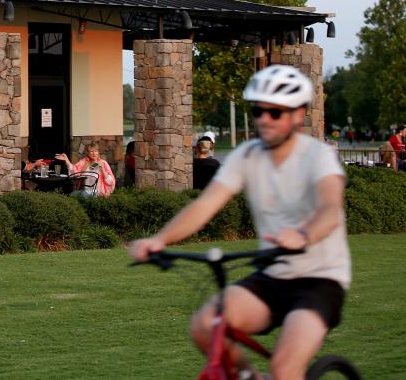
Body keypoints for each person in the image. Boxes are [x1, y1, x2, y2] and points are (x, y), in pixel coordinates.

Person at [130, 65, 350, 380]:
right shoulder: (248, 156)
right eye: (259, 110)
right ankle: (250, 376)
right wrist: (160, 240)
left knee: (285, 369)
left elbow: (330, 209)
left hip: (320, 281)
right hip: (273, 274)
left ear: (299, 114)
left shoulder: (318, 157)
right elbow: (205, 205)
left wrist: (303, 235)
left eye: (275, 111)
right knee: (206, 327)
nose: (263, 118)